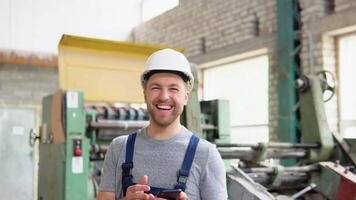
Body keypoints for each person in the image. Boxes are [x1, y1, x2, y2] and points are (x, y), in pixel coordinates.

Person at [98, 48, 227, 200]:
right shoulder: (119, 148)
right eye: (155, 88)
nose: (164, 96)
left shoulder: (206, 155)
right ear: (145, 94)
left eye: (173, 89)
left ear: (185, 97)